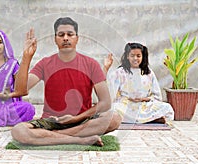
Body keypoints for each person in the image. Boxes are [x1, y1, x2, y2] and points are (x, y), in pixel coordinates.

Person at [11, 17, 122, 146]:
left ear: (77, 38)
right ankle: (79, 140)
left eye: (70, 34)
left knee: (114, 119)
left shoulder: (91, 64)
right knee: (18, 130)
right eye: (61, 35)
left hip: (81, 121)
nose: (65, 38)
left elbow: (105, 103)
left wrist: (76, 118)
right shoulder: (45, 63)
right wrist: (26, 56)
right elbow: (20, 90)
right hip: (51, 122)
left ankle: (55, 137)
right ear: (55, 39)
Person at [105, 42, 174, 124]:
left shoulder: (148, 73)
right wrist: (106, 68)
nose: (135, 58)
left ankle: (140, 119)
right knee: (112, 109)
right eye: (132, 55)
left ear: (142, 57)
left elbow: (157, 97)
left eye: (138, 56)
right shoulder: (119, 72)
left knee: (167, 107)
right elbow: (111, 93)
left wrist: (144, 99)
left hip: (144, 106)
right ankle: (151, 119)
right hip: (125, 106)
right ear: (127, 56)